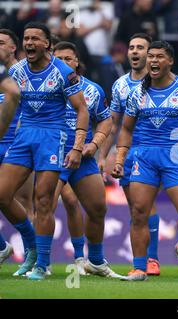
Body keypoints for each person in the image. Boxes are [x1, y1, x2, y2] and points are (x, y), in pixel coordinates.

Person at [112, 40, 178, 281]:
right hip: (144, 157)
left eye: (159, 57)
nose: (153, 60)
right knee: (139, 213)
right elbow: (125, 129)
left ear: (171, 61)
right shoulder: (137, 93)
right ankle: (139, 267)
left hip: (174, 157)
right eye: (151, 56)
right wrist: (120, 157)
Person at [1, 22, 89, 280]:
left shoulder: (62, 71)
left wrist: (77, 146)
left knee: (43, 201)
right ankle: (30, 244)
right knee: (2, 194)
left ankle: (42, 263)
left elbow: (82, 109)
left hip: (52, 137)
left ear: (47, 44)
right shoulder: (16, 71)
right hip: (23, 134)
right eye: (26, 39)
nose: (29, 43)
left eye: (35, 39)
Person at [52, 41, 122, 278]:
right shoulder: (45, 86)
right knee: (47, 206)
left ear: (76, 62)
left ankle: (94, 261)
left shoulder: (93, 90)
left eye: (68, 59)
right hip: (53, 154)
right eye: (58, 58)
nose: (63, 63)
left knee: (97, 207)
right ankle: (41, 262)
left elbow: (106, 120)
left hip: (83, 157)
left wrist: (94, 144)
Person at [99, 33, 162, 276]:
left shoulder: (162, 82)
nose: (135, 52)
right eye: (131, 47)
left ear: (151, 53)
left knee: (147, 205)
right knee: (136, 208)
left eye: (140, 48)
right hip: (128, 153)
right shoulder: (120, 85)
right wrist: (105, 156)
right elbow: (112, 124)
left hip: (156, 150)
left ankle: (152, 260)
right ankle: (143, 260)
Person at [0, 43, 22, 268]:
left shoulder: (24, 72)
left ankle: (37, 258)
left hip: (16, 145)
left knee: (25, 200)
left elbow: (16, 95)